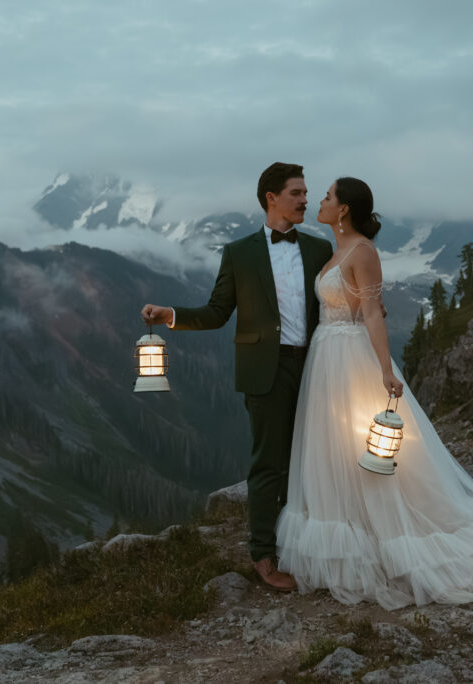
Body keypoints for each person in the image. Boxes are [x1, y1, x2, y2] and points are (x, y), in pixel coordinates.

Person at [275, 177, 473, 609]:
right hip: (324, 359)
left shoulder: (362, 252)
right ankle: (346, 533)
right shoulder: (335, 250)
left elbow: (373, 313)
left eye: (327, 196)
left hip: (349, 357)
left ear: (343, 210)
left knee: (364, 448)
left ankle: (387, 537)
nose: (319, 200)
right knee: (332, 447)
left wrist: (383, 369)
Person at [142, 162, 332, 592]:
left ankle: (306, 545)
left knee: (313, 458)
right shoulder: (239, 252)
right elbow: (216, 312)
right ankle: (263, 555)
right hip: (265, 370)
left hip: (318, 366)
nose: (305, 199)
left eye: (306, 193)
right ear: (271, 197)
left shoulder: (320, 250)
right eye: (297, 193)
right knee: (269, 463)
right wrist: (170, 315)